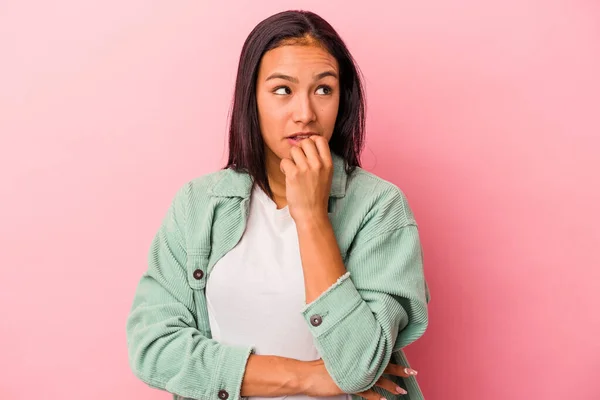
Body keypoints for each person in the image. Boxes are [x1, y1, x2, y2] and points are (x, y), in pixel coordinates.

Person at [126, 9, 430, 400]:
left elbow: (357, 368)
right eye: (282, 90)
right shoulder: (198, 204)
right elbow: (153, 347)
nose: (305, 114)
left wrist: (311, 217)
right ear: (251, 99)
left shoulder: (380, 207)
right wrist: (305, 377)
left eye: (324, 89)